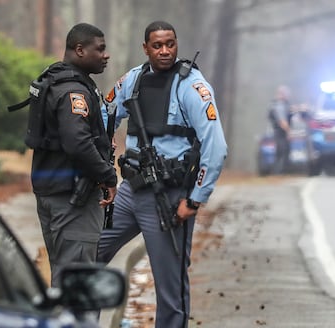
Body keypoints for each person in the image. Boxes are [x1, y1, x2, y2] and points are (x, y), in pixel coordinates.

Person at [97, 21, 227, 328]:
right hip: (130, 191)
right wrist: (104, 151)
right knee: (88, 255)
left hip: (168, 198)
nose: (165, 50)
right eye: (157, 45)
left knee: (170, 288)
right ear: (146, 48)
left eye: (170, 43)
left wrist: (194, 200)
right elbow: (106, 113)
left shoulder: (193, 87)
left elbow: (216, 147)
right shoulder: (134, 79)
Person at [29, 23, 117, 287]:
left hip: (52, 192)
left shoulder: (54, 79)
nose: (106, 55)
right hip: (72, 200)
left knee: (63, 278)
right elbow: (77, 142)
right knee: (77, 288)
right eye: (99, 49)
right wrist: (108, 176)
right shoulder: (73, 91)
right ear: (80, 50)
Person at [268, 85, 292, 174]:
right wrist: (289, 132)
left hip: (277, 132)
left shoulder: (274, 104)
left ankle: (277, 171)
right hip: (280, 132)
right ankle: (279, 172)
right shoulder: (279, 105)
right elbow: (282, 121)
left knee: (279, 152)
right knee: (283, 151)